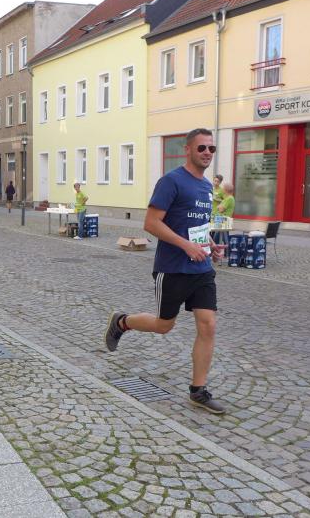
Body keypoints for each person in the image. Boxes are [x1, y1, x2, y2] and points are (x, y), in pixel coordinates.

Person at [104, 128, 227, 415]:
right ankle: (122, 322)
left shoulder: (207, 186)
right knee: (164, 325)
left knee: (208, 324)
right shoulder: (171, 181)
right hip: (173, 268)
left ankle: (198, 391)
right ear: (188, 150)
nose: (207, 153)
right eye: (201, 148)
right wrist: (186, 246)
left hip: (201, 268)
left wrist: (208, 245)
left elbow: (194, 225)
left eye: (211, 148)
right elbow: (151, 223)